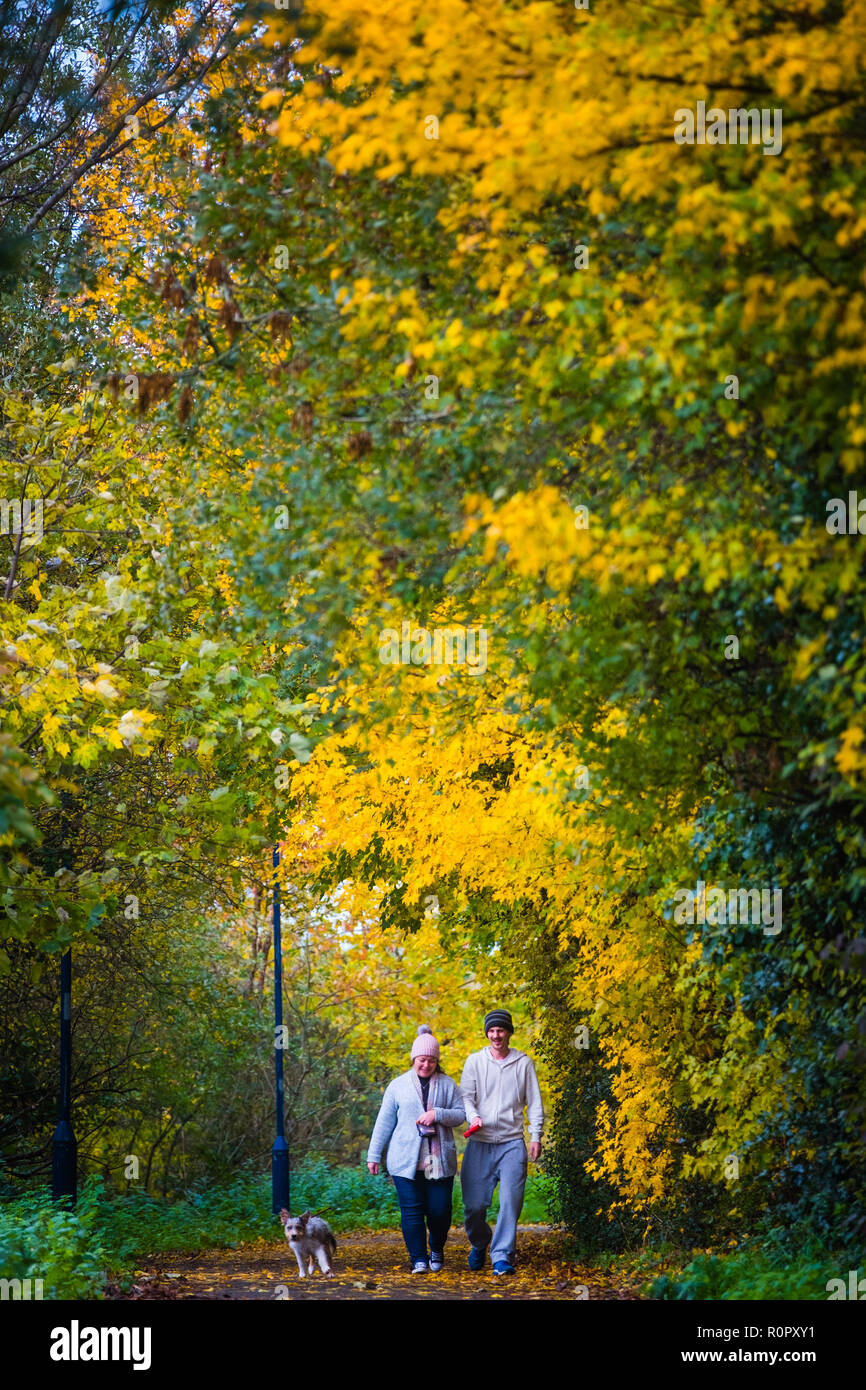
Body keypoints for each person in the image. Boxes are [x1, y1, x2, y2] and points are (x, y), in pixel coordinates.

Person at [367, 1024, 466, 1273]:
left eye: (432, 1060)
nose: (426, 1065)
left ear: (437, 1061)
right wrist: (374, 1154)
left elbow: (461, 1115)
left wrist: (438, 1114)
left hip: (438, 1161)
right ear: (414, 1059)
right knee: (412, 1211)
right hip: (404, 1161)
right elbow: (384, 1122)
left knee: (439, 1211)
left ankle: (436, 1248)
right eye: (422, 1060)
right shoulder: (397, 1086)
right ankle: (418, 1259)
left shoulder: (447, 1084)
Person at [460, 1008, 544, 1276]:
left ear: (509, 1032)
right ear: (487, 1033)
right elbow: (466, 1098)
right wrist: (473, 1117)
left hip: (511, 1143)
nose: (496, 1035)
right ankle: (479, 1242)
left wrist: (536, 1136)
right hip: (480, 1142)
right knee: (474, 1206)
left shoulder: (523, 1063)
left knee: (510, 1202)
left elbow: (535, 1102)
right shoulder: (474, 1062)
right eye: (492, 1031)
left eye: (501, 1030)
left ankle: (501, 1256)